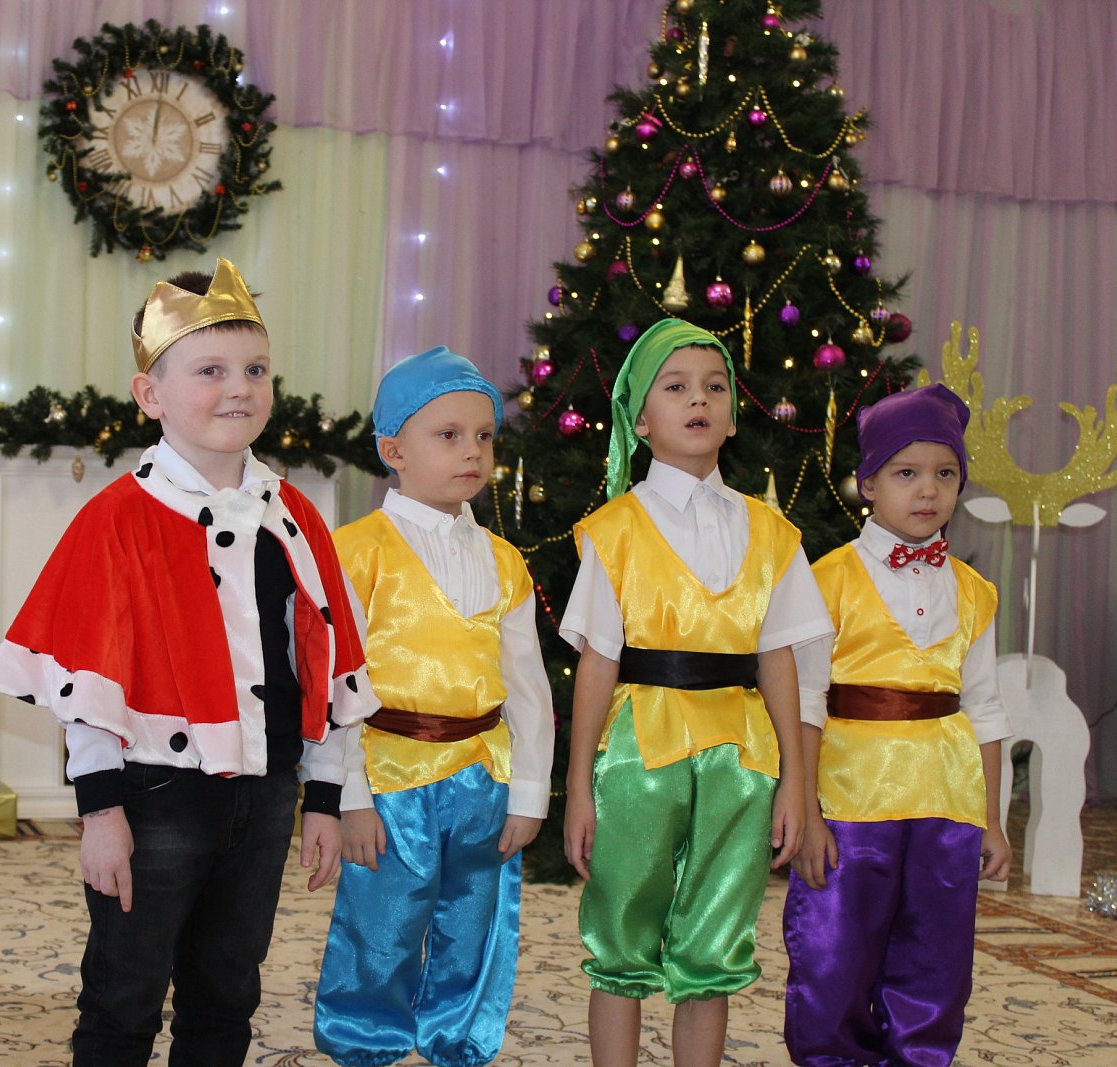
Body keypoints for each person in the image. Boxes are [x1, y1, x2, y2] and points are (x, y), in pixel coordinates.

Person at [0, 258, 377, 1067]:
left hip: (266, 795)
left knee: (228, 992)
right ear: (150, 394)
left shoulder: (296, 518)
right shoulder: (117, 520)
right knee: (124, 991)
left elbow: (326, 667)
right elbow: (87, 687)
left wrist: (325, 798)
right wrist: (100, 813)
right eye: (211, 371)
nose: (240, 388)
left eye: (256, 369)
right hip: (155, 799)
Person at [557, 319, 834, 1067]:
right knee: (621, 935)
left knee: (715, 943)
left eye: (715, 387)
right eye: (676, 387)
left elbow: (780, 662)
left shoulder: (771, 532)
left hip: (741, 760)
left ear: (734, 416)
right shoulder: (615, 530)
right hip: (637, 757)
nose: (699, 399)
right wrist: (578, 787)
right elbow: (598, 665)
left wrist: (796, 784)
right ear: (641, 420)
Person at [313, 346, 554, 1067]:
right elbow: (334, 684)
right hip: (389, 776)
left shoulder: (504, 560)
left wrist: (529, 793)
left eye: (484, 436)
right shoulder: (356, 552)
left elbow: (528, 687)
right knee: (383, 921)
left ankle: (457, 1036)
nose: (472, 451)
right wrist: (347, 795)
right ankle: (366, 1035)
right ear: (394, 450)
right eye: (448, 435)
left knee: (474, 919)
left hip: (484, 772)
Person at [783, 382, 1011, 1067]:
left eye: (945, 474)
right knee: (834, 953)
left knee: (937, 958)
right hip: (850, 801)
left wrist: (992, 819)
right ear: (868, 484)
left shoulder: (975, 592)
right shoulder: (827, 580)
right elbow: (805, 702)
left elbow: (985, 708)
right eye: (906, 473)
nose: (928, 490)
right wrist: (807, 813)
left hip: (947, 800)